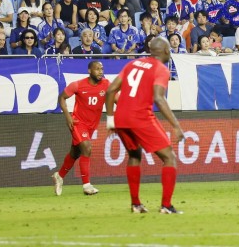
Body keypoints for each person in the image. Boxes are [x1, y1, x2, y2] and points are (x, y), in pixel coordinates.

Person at [104, 37, 184, 214]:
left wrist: (110, 119)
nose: (170, 52)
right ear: (164, 51)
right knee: (169, 157)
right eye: (169, 49)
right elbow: (158, 98)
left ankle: (136, 204)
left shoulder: (133, 64)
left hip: (121, 118)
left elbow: (110, 90)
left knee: (134, 155)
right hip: (140, 117)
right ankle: (166, 206)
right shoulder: (161, 69)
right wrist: (176, 125)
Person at [53, 59, 108, 197]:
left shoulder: (106, 84)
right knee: (87, 147)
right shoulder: (78, 85)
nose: (100, 71)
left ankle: (59, 176)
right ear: (89, 71)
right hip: (78, 123)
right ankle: (86, 185)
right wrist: (68, 116)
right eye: (97, 69)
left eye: (101, 69)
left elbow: (116, 98)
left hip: (92, 125)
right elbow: (62, 98)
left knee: (75, 153)